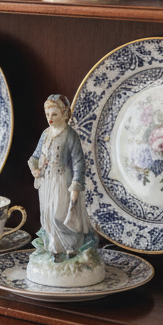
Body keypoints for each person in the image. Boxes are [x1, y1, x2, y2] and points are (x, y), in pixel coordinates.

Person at [27, 95, 96, 260]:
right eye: (47, 114)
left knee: (60, 215)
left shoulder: (70, 135)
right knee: (48, 215)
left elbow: (79, 163)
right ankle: (55, 249)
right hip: (46, 182)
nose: (50, 118)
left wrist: (76, 186)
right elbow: (35, 156)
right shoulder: (45, 134)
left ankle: (69, 247)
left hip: (61, 180)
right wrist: (34, 169)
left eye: (54, 114)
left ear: (64, 114)